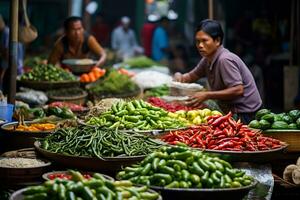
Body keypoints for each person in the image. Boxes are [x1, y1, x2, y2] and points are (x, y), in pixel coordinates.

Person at [174, 19, 262, 123]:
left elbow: (238, 90)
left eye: (204, 40)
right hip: (231, 109)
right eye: (198, 41)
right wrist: (180, 76)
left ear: (217, 41)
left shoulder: (224, 60)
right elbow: (192, 75)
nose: (200, 45)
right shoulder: (207, 59)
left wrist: (207, 94)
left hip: (246, 114)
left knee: (205, 105)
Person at [0, 14, 24, 92]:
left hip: (12, 68)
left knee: (9, 90)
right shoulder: (7, 32)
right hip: (15, 67)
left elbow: (7, 53)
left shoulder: (6, 33)